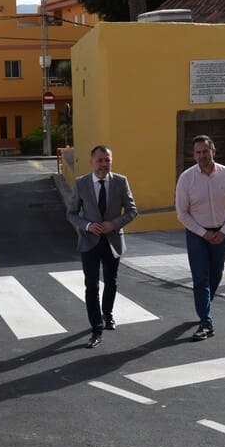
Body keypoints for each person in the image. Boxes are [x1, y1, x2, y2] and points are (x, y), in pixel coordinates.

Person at [67, 145, 138, 348]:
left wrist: (113, 224)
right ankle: (96, 329)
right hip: (89, 241)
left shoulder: (120, 182)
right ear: (92, 161)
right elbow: (71, 213)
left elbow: (132, 211)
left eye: (107, 160)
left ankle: (107, 313)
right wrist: (88, 225)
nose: (103, 164)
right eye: (100, 160)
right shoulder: (81, 183)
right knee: (92, 286)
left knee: (111, 282)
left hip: (112, 240)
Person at [175, 135, 225, 341]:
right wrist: (205, 233)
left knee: (216, 274)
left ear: (213, 151)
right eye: (198, 152)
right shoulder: (186, 179)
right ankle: (206, 322)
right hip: (197, 234)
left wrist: (223, 231)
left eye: (205, 151)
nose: (202, 155)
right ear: (193, 155)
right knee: (201, 278)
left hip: (221, 232)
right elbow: (182, 213)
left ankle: (204, 308)